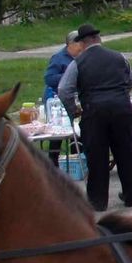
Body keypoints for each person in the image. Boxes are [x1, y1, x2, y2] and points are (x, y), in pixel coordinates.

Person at [57, 24, 132, 210]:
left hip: (94, 112)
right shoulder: (119, 57)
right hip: (122, 110)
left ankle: (98, 201)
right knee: (125, 152)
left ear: (82, 44)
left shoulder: (77, 62)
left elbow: (63, 89)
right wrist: (121, 97)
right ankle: (129, 194)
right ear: (99, 40)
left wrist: (74, 109)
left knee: (97, 157)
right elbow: (131, 80)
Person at [42, 29, 81, 165]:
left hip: (75, 97)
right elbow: (49, 78)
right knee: (58, 132)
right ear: (71, 44)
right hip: (57, 100)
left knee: (77, 130)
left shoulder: (81, 56)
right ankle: (53, 162)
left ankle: (78, 159)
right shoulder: (59, 58)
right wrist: (70, 77)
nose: (82, 46)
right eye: (80, 44)